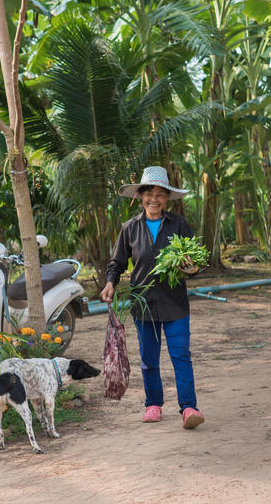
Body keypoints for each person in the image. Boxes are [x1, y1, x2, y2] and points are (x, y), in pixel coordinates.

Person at [101, 165, 204, 429]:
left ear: (167, 198)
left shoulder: (179, 225)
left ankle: (189, 407)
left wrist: (190, 267)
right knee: (148, 358)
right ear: (140, 196)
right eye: (149, 193)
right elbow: (117, 263)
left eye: (160, 193)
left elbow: (195, 264)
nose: (154, 199)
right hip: (143, 303)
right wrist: (110, 283)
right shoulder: (130, 228)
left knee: (181, 354)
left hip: (175, 304)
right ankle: (153, 404)